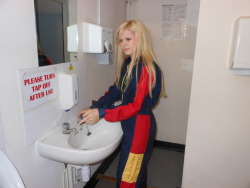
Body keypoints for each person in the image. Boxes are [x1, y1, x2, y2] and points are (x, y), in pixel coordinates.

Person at [77, 20, 166, 188]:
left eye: (128, 39)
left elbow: (135, 106)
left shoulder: (145, 68)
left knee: (129, 175)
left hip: (139, 125)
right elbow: (116, 90)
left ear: (140, 39)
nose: (123, 44)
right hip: (131, 123)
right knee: (135, 171)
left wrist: (103, 113)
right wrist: (94, 107)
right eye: (120, 40)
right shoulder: (128, 64)